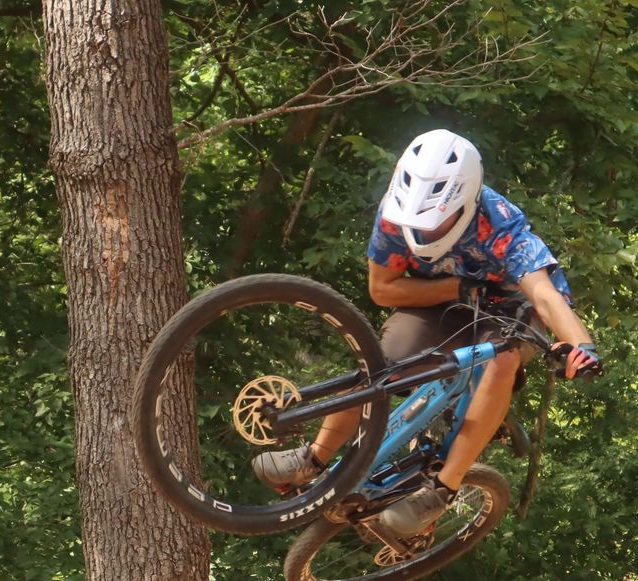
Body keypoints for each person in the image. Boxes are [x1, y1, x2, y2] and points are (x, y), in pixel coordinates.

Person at [252, 128, 601, 537]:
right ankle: (314, 458)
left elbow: (543, 295)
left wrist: (582, 347)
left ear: (466, 204)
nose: (424, 233)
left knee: (501, 358)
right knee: (381, 366)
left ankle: (443, 486)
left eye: (436, 224)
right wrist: (459, 288)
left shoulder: (500, 225)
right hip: (443, 299)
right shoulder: (393, 215)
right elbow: (382, 289)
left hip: (511, 309)